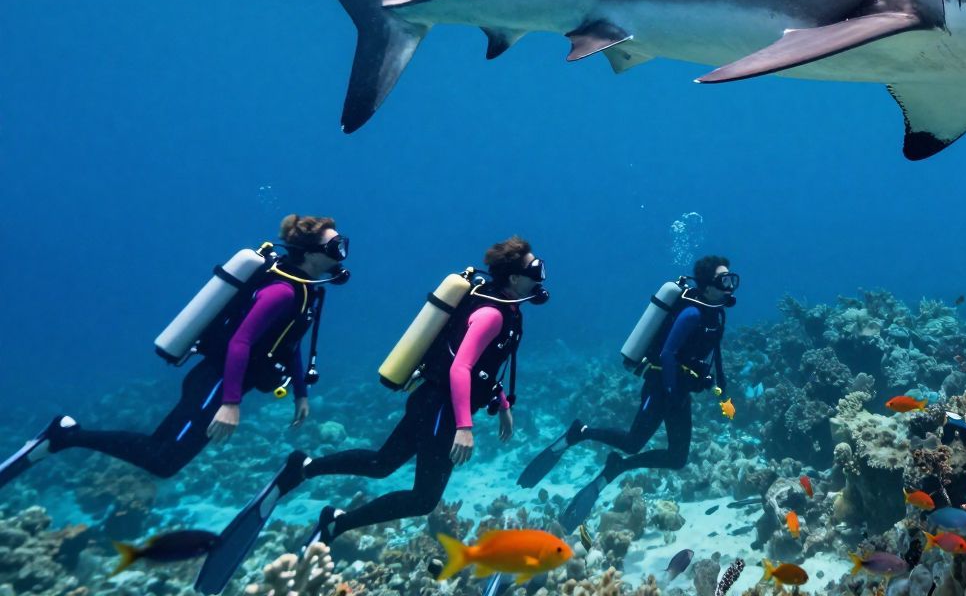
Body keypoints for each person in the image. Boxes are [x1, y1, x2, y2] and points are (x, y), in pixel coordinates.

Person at [196, 235, 546, 594]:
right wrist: (464, 426)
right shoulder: (491, 313)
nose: (541, 276)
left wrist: (502, 404)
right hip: (440, 408)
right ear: (515, 278)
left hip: (433, 403)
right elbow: (461, 368)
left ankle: (304, 471)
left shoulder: (510, 310)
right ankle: (335, 522)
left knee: (381, 463)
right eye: (536, 269)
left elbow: (487, 367)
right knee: (423, 498)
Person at [0, 214, 349, 488]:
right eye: (335, 248)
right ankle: (64, 435)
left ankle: (64, 435)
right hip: (214, 385)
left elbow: (288, 343)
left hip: (219, 385)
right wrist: (229, 403)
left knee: (164, 453)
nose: (341, 254)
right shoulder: (284, 292)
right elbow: (240, 342)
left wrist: (300, 393)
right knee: (164, 459)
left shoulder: (306, 290)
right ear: (312, 253)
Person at [533, 255, 736, 531]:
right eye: (724, 280)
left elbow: (715, 353)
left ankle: (619, 467)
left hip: (679, 392)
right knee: (632, 442)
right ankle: (579, 432)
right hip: (661, 387)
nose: (730, 285)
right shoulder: (692, 313)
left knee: (677, 458)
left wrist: (721, 390)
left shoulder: (716, 313)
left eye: (731, 278)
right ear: (708, 285)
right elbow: (667, 353)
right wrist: (671, 390)